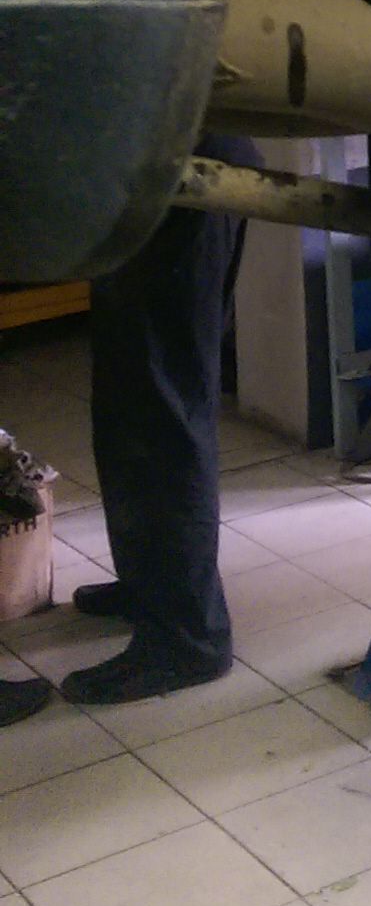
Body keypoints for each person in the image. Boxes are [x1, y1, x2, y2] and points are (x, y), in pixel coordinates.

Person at [60, 133, 257, 708]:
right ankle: (153, 587)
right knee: (129, 404)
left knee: (161, 411)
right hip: (151, 174)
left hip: (177, 175)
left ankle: (186, 639)